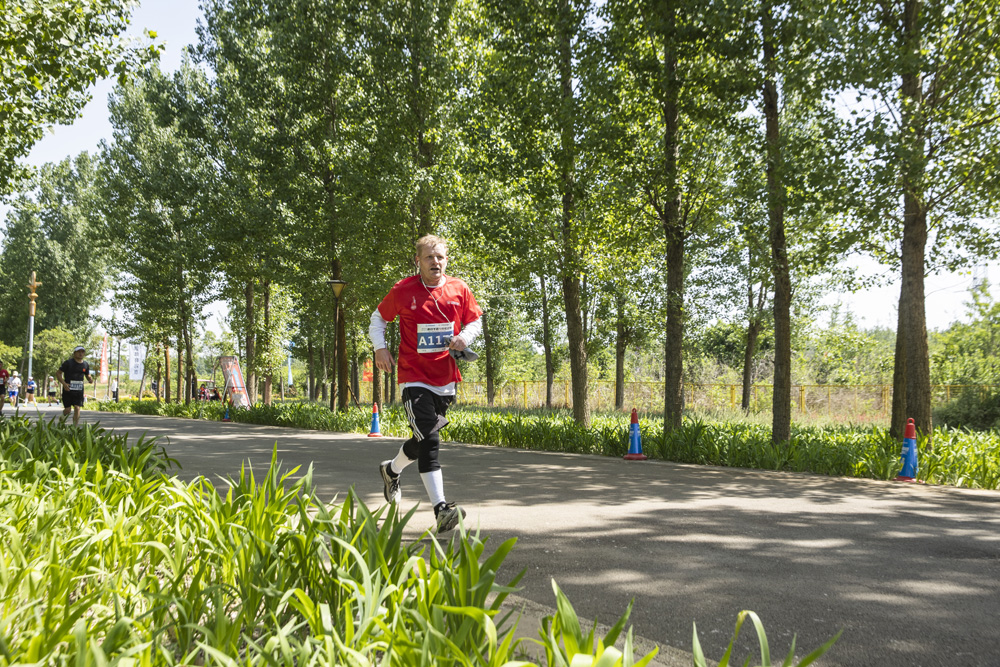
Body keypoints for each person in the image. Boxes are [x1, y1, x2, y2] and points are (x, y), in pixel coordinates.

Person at [369, 234, 482, 533]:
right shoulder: (404, 290)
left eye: (440, 257)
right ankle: (441, 509)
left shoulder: (459, 289)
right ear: (417, 261)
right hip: (414, 378)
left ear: (446, 260)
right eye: (429, 257)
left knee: (423, 439)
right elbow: (378, 319)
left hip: (446, 380)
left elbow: (475, 321)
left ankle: (391, 470)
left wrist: (465, 338)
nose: (436, 262)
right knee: (430, 441)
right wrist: (380, 348)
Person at [55, 346, 94, 426]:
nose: (80, 353)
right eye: (79, 351)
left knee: (77, 407)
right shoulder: (68, 363)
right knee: (68, 410)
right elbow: (58, 373)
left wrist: (90, 379)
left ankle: (74, 427)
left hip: (79, 390)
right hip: (68, 389)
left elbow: (87, 374)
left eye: (82, 352)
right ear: (74, 353)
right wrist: (64, 383)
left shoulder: (85, 364)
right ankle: (62, 418)